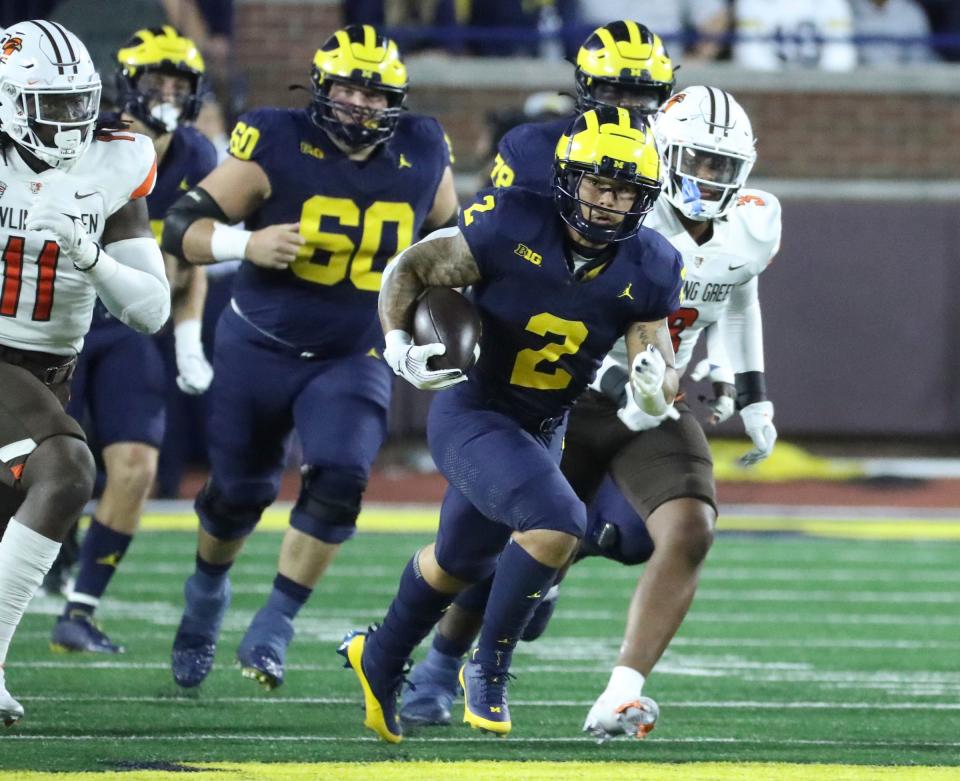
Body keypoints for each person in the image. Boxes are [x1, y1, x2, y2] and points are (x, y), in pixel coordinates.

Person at [400, 86, 781, 740]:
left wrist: (745, 383)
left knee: (688, 528)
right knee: (489, 546)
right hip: (564, 391)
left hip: (654, 395)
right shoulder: (612, 206)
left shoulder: (754, 220)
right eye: (699, 161)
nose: (710, 179)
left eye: (724, 166)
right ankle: (440, 664)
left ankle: (620, 692)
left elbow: (739, 291)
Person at [340, 105, 684, 743]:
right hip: (475, 407)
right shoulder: (511, 221)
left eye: (626, 190)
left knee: (459, 561)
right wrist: (394, 345)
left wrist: (654, 387)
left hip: (544, 422)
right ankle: (489, 668)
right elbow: (409, 269)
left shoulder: (653, 264)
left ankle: (379, 656)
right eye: (598, 183)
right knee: (558, 524)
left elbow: (658, 365)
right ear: (567, 179)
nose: (610, 201)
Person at [161, 23, 458, 691]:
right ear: (321, 88)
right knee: (238, 494)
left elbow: (448, 239)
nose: (362, 105)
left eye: (377, 93)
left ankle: (276, 622)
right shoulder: (274, 136)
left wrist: (443, 308)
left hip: (352, 350)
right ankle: (206, 594)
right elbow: (183, 226)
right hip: (259, 344)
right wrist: (248, 245)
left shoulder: (422, 146)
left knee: (342, 476)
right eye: (350, 89)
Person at [0, 18, 170, 726]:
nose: (73, 123)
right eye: (55, 106)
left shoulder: (114, 162)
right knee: (67, 468)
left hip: (47, 371)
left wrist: (88, 251)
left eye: (81, 103)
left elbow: (151, 310)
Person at [46, 26, 217, 654]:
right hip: (56, 319)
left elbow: (187, 259)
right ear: (128, 85)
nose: (168, 93)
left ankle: (81, 609)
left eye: (180, 84)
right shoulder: (90, 138)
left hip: (126, 325)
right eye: (156, 81)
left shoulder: (197, 156)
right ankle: (52, 547)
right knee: (37, 470)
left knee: (136, 464)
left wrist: (192, 336)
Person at [733, 0, 857, 71]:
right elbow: (750, 54)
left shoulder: (832, 2)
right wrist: (778, 84)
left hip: (821, 87)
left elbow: (841, 54)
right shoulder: (752, 2)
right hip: (770, 88)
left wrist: (818, 84)